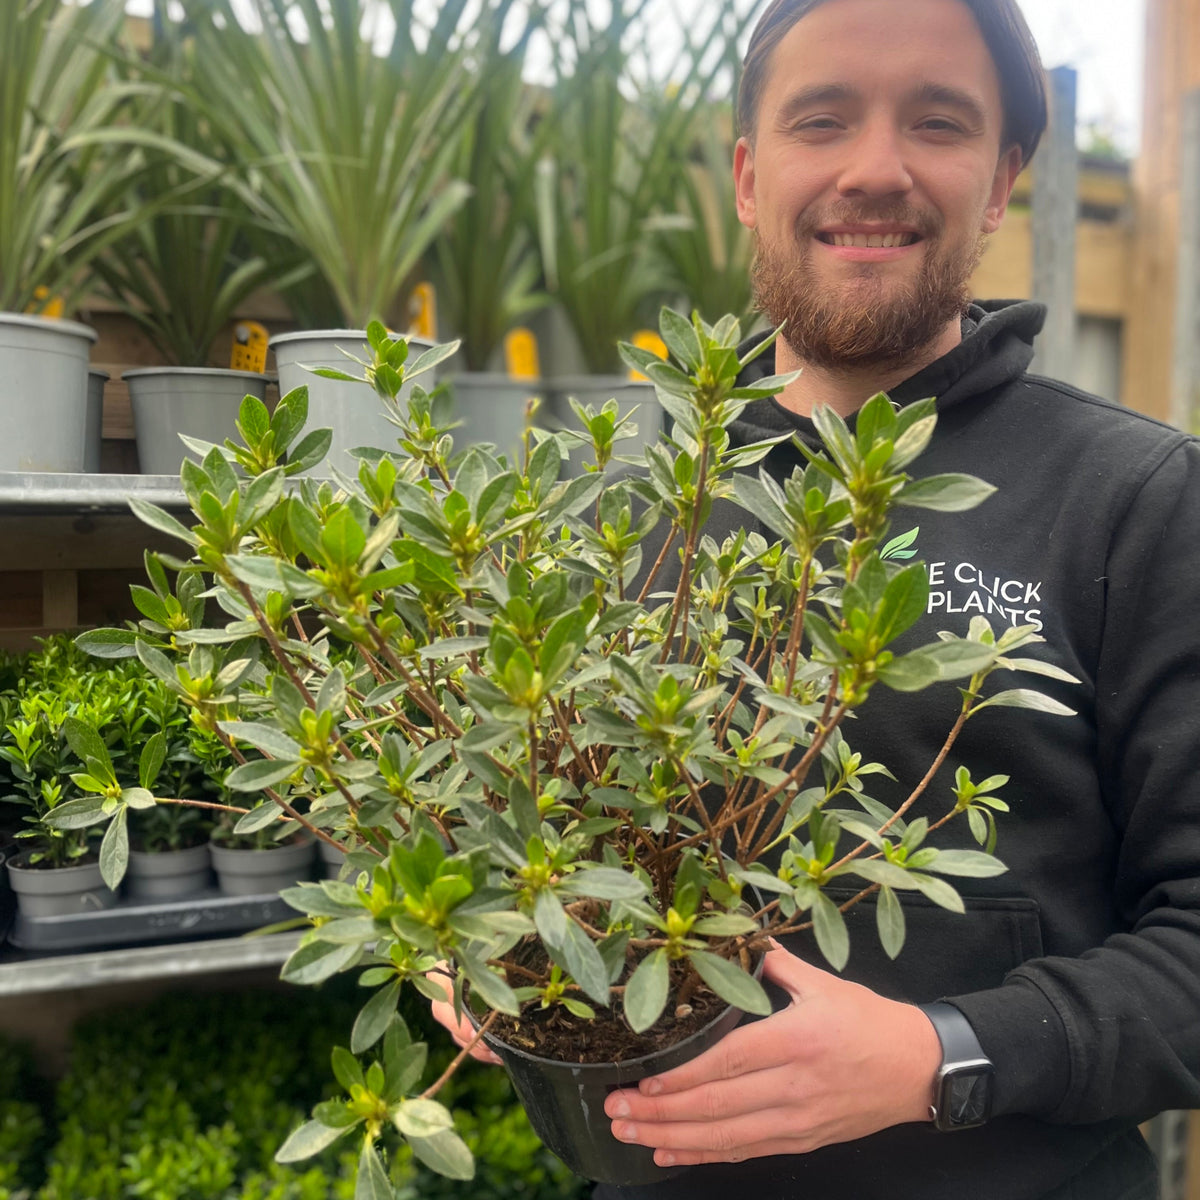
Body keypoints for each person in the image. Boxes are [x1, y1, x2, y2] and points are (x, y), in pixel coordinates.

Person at [432, 1, 1200, 1197]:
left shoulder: (1137, 498)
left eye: (937, 122)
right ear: (749, 175)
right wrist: (482, 933)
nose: (875, 168)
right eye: (822, 117)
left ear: (1001, 184)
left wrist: (940, 1055)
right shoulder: (620, 505)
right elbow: (541, 833)